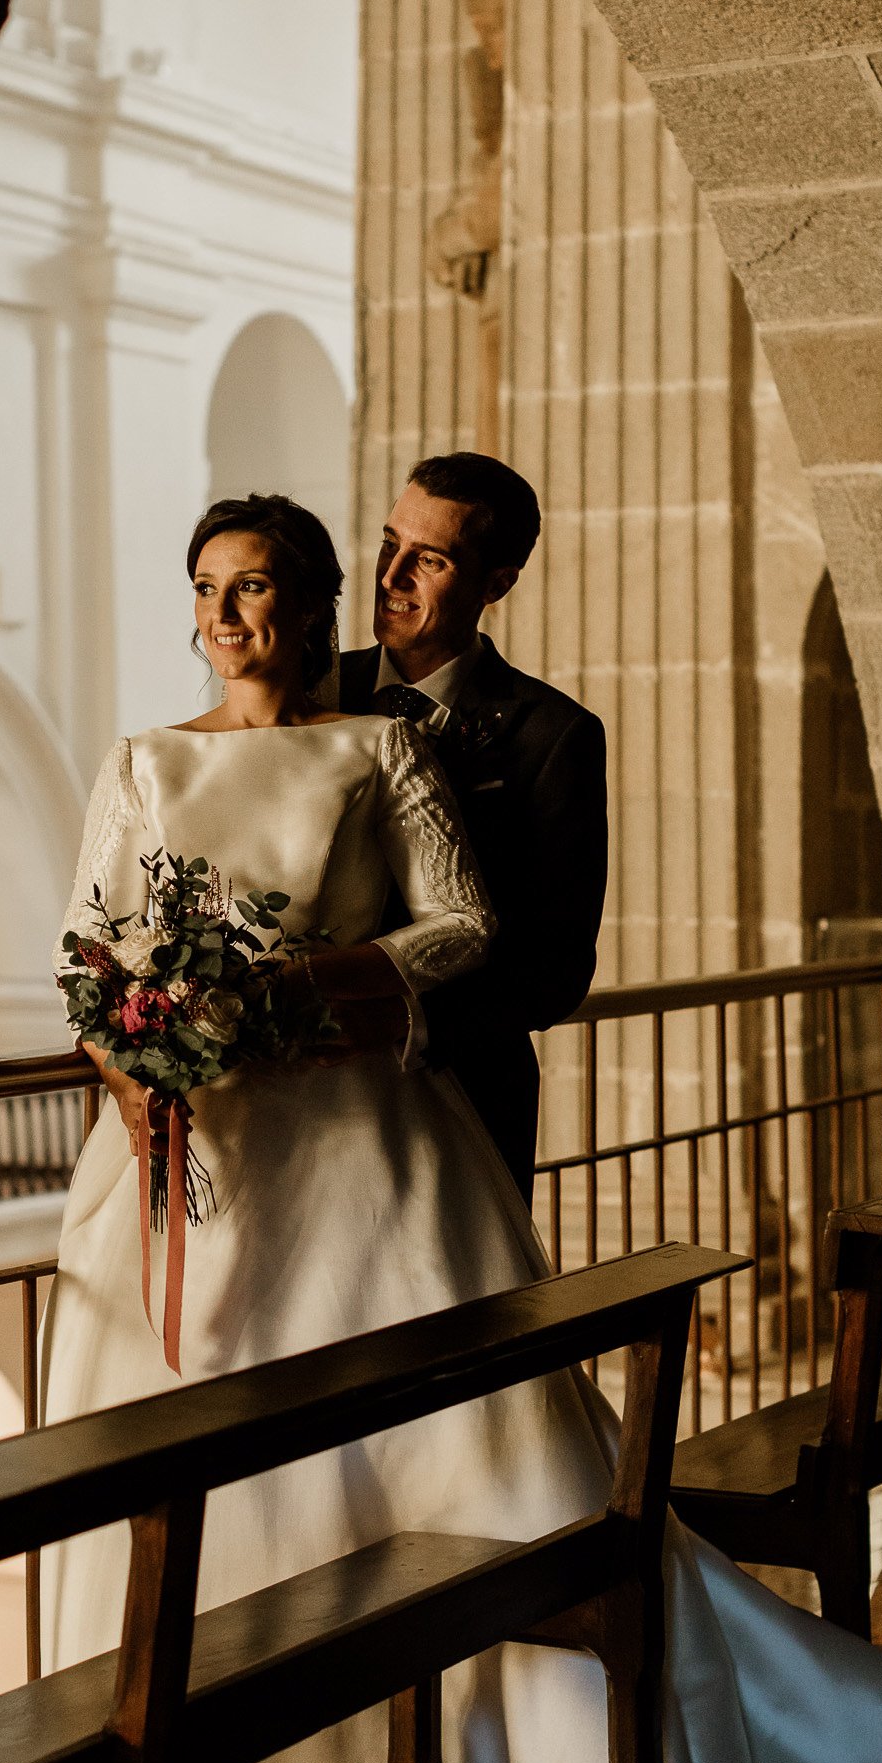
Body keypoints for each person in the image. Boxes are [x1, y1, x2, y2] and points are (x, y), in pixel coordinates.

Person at [40, 489, 882, 1763]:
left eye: (257, 586)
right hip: (186, 1160)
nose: (226, 613)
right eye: (206, 587)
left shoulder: (373, 743)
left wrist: (307, 988)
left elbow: (458, 925)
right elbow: (88, 950)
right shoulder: (137, 763)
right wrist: (134, 1069)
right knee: (192, 1453)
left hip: (356, 1145)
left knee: (409, 1456)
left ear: (314, 602)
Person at [340, 452, 607, 1206]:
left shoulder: (552, 735)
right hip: (299, 1097)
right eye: (389, 543)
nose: (390, 576)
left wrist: (400, 1024)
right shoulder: (307, 692)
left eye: (426, 560)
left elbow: (557, 969)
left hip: (459, 1096)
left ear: (496, 584)